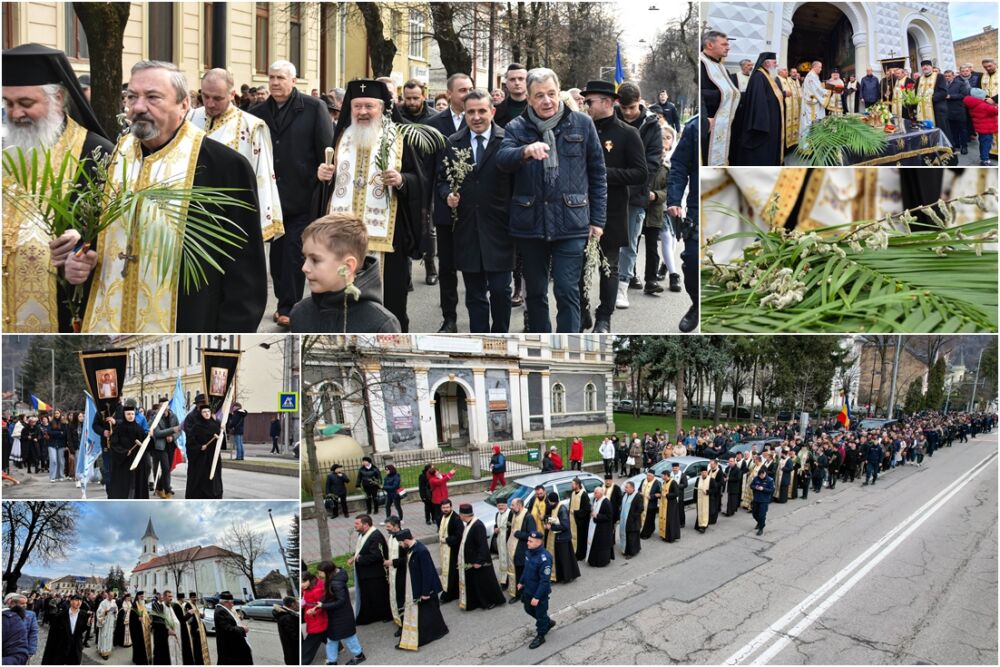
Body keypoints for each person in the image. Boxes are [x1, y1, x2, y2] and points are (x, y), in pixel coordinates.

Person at [66, 60, 266, 333]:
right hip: (108, 323)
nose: (138, 107)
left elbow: (245, 274)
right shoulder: (112, 157)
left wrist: (230, 336)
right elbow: (91, 232)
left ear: (184, 106)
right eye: (132, 97)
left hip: (187, 324)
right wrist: (80, 255)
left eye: (152, 97)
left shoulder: (224, 168)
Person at [1, 44, 116, 333]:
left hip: (63, 317)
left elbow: (115, 239)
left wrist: (82, 250)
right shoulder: (5, 151)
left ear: (58, 99)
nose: (15, 114)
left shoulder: (97, 155)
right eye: (7, 103)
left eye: (26, 103)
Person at [496, 67, 608, 334]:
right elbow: (502, 160)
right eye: (539, 96)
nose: (546, 101)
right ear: (530, 99)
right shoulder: (516, 127)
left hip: (572, 221)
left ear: (559, 93)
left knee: (567, 290)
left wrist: (598, 220)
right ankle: (542, 341)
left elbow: (598, 173)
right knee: (535, 293)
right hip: (530, 223)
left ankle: (569, 339)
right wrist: (524, 151)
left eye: (551, 94)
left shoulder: (582, 123)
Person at [316, 80, 429, 332]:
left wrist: (401, 180)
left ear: (382, 107)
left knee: (390, 301)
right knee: (339, 296)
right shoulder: (341, 136)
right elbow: (330, 183)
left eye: (369, 106)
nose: (363, 112)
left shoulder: (399, 136)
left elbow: (420, 179)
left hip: (387, 237)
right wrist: (323, 176)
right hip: (340, 236)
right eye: (357, 106)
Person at [247, 60, 332, 328]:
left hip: (303, 194)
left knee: (295, 252)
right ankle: (285, 302)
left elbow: (326, 148)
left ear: (293, 81)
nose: (275, 82)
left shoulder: (313, 107)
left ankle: (290, 306)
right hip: (270, 197)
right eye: (271, 77)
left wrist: (322, 173)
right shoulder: (258, 111)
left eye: (281, 78)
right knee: (277, 254)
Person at [436, 89, 515, 333]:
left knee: (501, 290)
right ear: (464, 114)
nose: (477, 117)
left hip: (500, 229)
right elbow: (442, 179)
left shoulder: (507, 141)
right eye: (471, 112)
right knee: (475, 293)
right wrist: (447, 194)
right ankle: (479, 336)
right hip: (467, 229)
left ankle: (501, 334)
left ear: (492, 111)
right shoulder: (452, 143)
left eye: (482, 111)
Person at [579, 80, 646, 331]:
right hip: (580, 210)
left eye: (590, 101)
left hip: (612, 209)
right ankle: (582, 309)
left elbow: (640, 173)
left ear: (607, 102)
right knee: (577, 266)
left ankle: (604, 316)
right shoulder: (580, 129)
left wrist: (603, 173)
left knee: (609, 267)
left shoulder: (627, 133)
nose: (586, 106)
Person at [188, 68, 283, 243]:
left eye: (217, 98)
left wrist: (262, 226)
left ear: (232, 94)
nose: (209, 104)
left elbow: (262, 177)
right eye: (205, 96)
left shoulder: (252, 126)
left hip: (233, 217)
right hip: (191, 216)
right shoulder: (189, 118)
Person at [290, 213, 401, 333]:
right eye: (304, 258)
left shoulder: (380, 324)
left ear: (348, 266)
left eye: (315, 260)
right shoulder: (300, 313)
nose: (304, 268)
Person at [396, 529, 449, 651]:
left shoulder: (421, 551)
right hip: (418, 587)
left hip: (426, 589)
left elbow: (427, 572)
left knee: (427, 614)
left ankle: (431, 634)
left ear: (405, 540)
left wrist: (425, 593)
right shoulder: (412, 549)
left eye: (400, 542)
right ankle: (439, 631)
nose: (400, 545)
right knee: (430, 613)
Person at [731, 52, 784, 165]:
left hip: (770, 120)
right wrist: (763, 124)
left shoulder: (766, 75)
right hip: (764, 124)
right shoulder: (759, 76)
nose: (776, 65)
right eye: (774, 62)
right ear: (767, 63)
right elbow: (758, 102)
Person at [700, 31, 740, 165]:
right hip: (708, 123)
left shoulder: (721, 67)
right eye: (724, 44)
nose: (728, 47)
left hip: (724, 125)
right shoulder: (701, 64)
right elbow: (700, 93)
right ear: (710, 45)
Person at [455, 504, 506, 610]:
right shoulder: (469, 523)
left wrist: (479, 561)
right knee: (476, 583)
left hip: (480, 562)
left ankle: (490, 601)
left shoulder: (477, 525)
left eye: (460, 515)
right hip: (472, 560)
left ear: (464, 515)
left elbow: (483, 545)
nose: (460, 517)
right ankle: (477, 601)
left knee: (484, 583)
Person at [348, 514, 392, 624]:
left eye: (357, 524)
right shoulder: (363, 534)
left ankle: (386, 614)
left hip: (374, 574)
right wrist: (354, 557)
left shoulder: (375, 536)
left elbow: (376, 556)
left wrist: (358, 559)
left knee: (378, 596)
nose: (355, 526)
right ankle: (371, 616)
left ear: (366, 525)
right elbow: (362, 550)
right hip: (367, 574)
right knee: (369, 597)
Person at [519, 531, 555, 649]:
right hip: (528, 590)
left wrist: (537, 597)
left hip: (539, 594)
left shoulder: (545, 559)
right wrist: (521, 581)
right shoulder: (529, 552)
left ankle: (541, 636)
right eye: (528, 540)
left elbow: (545, 581)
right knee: (528, 609)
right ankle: (547, 622)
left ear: (538, 543)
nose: (527, 543)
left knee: (540, 615)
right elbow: (526, 569)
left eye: (530, 541)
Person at [106, 400, 147, 499]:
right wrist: (124, 452)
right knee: (123, 486)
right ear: (124, 415)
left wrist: (150, 437)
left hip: (137, 462)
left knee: (136, 485)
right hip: (123, 462)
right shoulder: (119, 429)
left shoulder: (139, 429)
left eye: (132, 414)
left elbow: (145, 444)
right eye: (128, 414)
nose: (131, 416)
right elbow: (114, 444)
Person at [184, 402, 223, 499]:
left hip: (213, 458)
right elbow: (189, 444)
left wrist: (222, 431)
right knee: (200, 480)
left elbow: (222, 443)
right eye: (204, 412)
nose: (206, 413)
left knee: (213, 480)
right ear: (200, 414)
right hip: (200, 459)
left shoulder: (215, 425)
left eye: (208, 411)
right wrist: (199, 447)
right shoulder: (196, 427)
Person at [152, 401, 181, 499]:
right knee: (165, 467)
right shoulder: (155, 418)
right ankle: (167, 489)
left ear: (168, 406)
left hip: (171, 445)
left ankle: (160, 487)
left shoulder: (174, 416)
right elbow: (157, 433)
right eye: (161, 406)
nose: (164, 408)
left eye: (165, 406)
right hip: (160, 447)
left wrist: (173, 437)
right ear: (159, 408)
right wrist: (172, 430)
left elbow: (179, 430)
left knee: (167, 469)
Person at [437, 499, 464, 603]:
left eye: (447, 507)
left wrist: (446, 540)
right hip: (444, 550)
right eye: (443, 507)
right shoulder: (440, 516)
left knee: (452, 572)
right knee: (446, 571)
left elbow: (458, 536)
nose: (445, 509)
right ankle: (447, 590)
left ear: (451, 507)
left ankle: (450, 594)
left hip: (453, 551)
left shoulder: (456, 519)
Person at [214, 591, 252, 665]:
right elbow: (227, 629)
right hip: (229, 647)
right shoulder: (220, 611)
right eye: (232, 602)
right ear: (226, 602)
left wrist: (238, 618)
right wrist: (243, 629)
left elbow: (232, 621)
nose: (233, 604)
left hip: (233, 644)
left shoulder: (226, 609)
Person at [965, 88, 998, 166]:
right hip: (987, 128)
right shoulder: (984, 105)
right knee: (986, 144)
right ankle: (985, 160)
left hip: (981, 128)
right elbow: (995, 111)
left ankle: (983, 157)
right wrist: (995, 105)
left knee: (982, 143)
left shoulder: (973, 104)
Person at [585, 485, 615, 566]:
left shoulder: (606, 502)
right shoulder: (595, 499)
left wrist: (597, 516)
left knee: (601, 546)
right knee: (594, 544)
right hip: (595, 526)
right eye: (594, 493)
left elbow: (609, 516)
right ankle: (592, 561)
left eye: (596, 493)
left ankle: (601, 562)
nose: (594, 494)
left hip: (603, 529)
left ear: (601, 494)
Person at [151, 590, 182, 665]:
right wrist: (166, 631)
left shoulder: (171, 607)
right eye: (169, 596)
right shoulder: (159, 607)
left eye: (171, 596)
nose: (171, 598)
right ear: (164, 597)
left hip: (173, 637)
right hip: (163, 639)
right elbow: (156, 624)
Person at [943, 70, 971, 154]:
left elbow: (964, 95)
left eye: (949, 76)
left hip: (958, 109)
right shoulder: (943, 84)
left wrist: (951, 96)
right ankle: (956, 144)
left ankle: (964, 146)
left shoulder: (960, 83)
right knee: (952, 129)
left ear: (953, 76)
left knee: (962, 129)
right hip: (948, 110)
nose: (947, 77)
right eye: (946, 76)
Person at [799, 61, 826, 146]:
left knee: (811, 123)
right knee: (810, 123)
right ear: (815, 67)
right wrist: (827, 93)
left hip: (811, 104)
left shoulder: (813, 76)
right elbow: (817, 90)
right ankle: (809, 147)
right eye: (820, 67)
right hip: (811, 105)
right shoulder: (812, 77)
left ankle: (810, 145)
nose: (821, 69)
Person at [491, 499, 513, 590]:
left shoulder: (510, 514)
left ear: (506, 505)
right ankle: (504, 581)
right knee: (502, 561)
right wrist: (495, 528)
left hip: (508, 541)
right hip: (500, 541)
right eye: (499, 506)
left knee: (509, 561)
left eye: (502, 505)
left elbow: (512, 526)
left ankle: (511, 581)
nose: (500, 507)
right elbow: (496, 524)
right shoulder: (497, 514)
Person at [778, 68, 801, 152]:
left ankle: (792, 144)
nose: (786, 72)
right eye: (785, 70)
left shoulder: (789, 80)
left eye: (787, 71)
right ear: (780, 72)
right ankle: (785, 148)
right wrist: (784, 94)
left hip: (793, 109)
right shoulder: (778, 80)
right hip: (785, 109)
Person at [618, 480, 642, 558]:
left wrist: (632, 517)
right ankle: (625, 549)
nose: (625, 489)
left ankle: (631, 553)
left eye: (627, 487)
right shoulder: (625, 494)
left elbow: (641, 509)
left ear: (632, 488)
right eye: (625, 487)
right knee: (627, 536)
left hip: (633, 522)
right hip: (624, 520)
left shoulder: (637, 496)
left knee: (632, 538)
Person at [3, 597, 30, 666]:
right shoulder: (6, 616)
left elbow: (34, 632)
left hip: (19, 641)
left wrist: (32, 649)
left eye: (25, 603)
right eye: (22, 603)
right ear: (12, 603)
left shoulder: (30, 615)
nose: (25, 605)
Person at [637, 469, 661, 539]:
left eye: (650, 476)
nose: (648, 477)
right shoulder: (643, 481)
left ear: (653, 476)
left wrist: (652, 496)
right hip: (643, 504)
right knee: (643, 519)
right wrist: (639, 493)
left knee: (649, 520)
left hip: (651, 505)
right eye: (647, 475)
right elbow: (639, 489)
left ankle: (646, 534)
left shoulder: (657, 483)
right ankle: (651, 529)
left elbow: (659, 493)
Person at [129, 592, 152, 665]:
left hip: (145, 628)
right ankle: (139, 660)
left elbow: (146, 614)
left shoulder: (143, 604)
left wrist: (149, 619)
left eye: (143, 596)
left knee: (144, 645)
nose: (142, 597)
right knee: (139, 645)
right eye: (141, 596)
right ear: (138, 596)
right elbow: (132, 618)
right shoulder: (135, 605)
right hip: (138, 630)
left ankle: (146, 658)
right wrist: (137, 619)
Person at [273, 597, 298, 665]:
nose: (298, 605)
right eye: (297, 603)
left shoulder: (283, 615)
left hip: (289, 651)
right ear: (293, 604)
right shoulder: (288, 617)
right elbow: (295, 636)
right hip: (294, 652)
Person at [751, 467, 775, 535]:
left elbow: (771, 490)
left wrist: (763, 489)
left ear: (765, 474)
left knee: (762, 515)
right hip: (756, 499)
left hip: (764, 500)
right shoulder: (756, 478)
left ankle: (761, 528)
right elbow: (751, 485)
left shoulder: (770, 480)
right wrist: (755, 487)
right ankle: (759, 522)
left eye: (762, 475)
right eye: (760, 475)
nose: (761, 476)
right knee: (754, 514)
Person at [94, 591, 117, 659]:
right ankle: (103, 652)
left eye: (112, 596)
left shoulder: (113, 602)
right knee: (104, 636)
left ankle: (108, 650)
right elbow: (99, 611)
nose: (111, 597)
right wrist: (105, 611)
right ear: (108, 595)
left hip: (111, 621)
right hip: (105, 622)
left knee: (109, 636)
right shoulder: (103, 602)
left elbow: (116, 609)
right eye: (110, 595)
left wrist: (115, 611)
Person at [693, 468, 715, 533]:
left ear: (707, 472)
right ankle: (699, 524)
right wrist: (694, 499)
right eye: (702, 472)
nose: (704, 473)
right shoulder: (698, 479)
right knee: (699, 512)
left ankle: (703, 527)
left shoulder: (711, 480)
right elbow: (695, 489)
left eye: (705, 472)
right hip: (699, 499)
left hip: (707, 500)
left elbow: (714, 489)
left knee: (705, 512)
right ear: (701, 473)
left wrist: (708, 491)